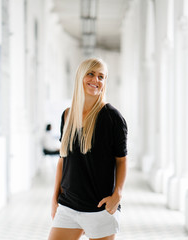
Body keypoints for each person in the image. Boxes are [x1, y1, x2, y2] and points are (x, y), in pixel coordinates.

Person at [48, 58, 128, 240]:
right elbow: (63, 159)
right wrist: (54, 198)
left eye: (101, 76)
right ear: (80, 77)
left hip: (99, 207)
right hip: (68, 206)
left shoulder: (112, 117)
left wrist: (118, 195)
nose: (96, 80)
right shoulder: (67, 115)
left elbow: (122, 159)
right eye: (91, 74)